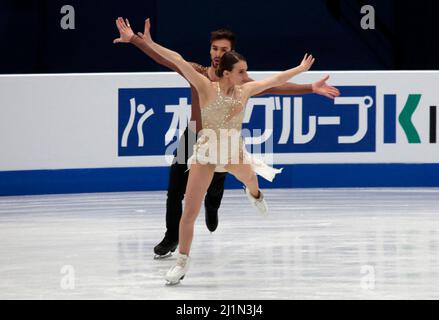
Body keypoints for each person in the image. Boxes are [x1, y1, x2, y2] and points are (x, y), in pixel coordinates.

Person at [113, 17, 340, 260]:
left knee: (214, 189)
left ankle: (213, 206)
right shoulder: (198, 73)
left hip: (223, 143)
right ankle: (172, 236)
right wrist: (136, 40)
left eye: (224, 50)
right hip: (193, 135)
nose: (218, 53)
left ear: (232, 54)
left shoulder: (239, 83)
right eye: (215, 48)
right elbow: (168, 58)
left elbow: (274, 86)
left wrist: (310, 88)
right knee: (175, 187)